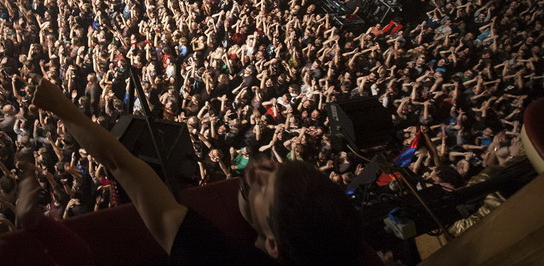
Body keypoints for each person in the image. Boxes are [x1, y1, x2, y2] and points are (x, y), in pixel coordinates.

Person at [32, 77, 362, 265]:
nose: (258, 166)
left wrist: (62, 108)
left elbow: (125, 166)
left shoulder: (216, 259)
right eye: (276, 167)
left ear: (274, 245)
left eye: (263, 185)